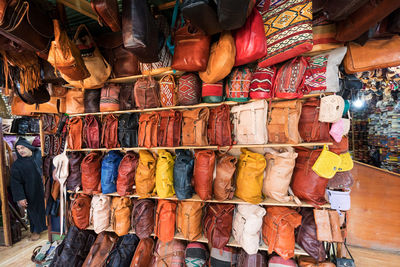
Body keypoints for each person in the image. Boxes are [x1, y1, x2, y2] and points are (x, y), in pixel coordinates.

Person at [10, 138, 46, 241]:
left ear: (28, 147)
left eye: (22, 147)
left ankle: (49, 228)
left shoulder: (39, 155)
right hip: (31, 191)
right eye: (18, 149)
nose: (20, 151)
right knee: (33, 211)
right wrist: (21, 197)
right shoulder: (17, 165)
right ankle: (35, 231)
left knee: (48, 209)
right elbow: (16, 183)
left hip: (44, 188)